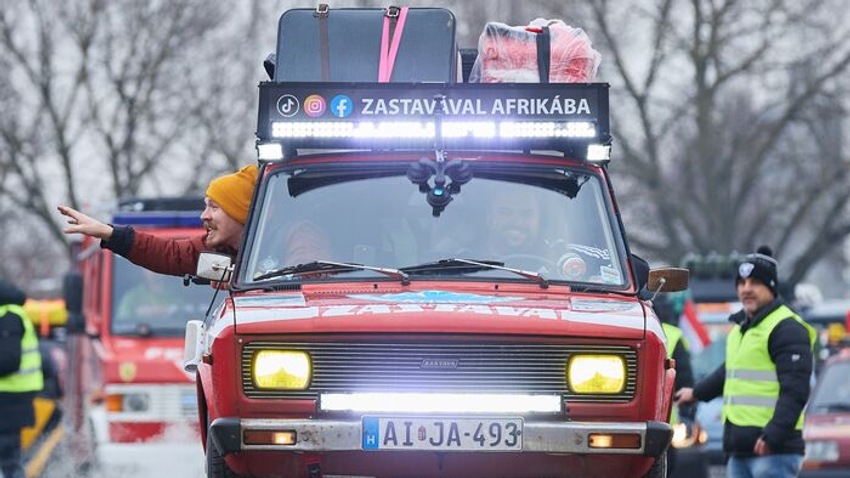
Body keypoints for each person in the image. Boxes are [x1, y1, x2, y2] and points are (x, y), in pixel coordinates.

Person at [675, 246, 815, 478]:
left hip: (771, 452)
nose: (746, 289)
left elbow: (796, 391)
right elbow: (729, 372)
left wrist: (773, 436)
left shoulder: (786, 328)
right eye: (742, 283)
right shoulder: (744, 328)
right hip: (741, 450)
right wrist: (696, 393)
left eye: (755, 283)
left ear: (771, 287)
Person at [58, 164, 259, 277]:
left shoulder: (284, 248)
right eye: (206, 206)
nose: (204, 216)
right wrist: (108, 233)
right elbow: (169, 254)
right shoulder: (217, 249)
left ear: (240, 212)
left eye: (214, 207)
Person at [0, 279, 44, 478]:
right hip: (11, 398)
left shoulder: (9, 316)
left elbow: (9, 361)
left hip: (10, 399)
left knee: (9, 462)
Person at [654, 292, 696, 474]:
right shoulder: (675, 335)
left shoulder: (632, 328)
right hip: (666, 427)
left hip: (633, 423)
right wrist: (688, 415)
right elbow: (686, 380)